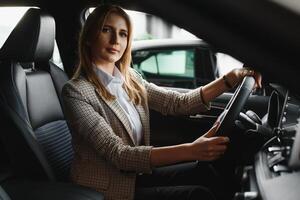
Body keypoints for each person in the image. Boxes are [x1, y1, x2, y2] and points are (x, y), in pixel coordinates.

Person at [61, 4, 262, 200]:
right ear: (88, 37)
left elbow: (177, 103)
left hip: (135, 175)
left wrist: (230, 78)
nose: (116, 40)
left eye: (123, 33)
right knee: (198, 195)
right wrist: (191, 149)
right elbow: (119, 154)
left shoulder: (129, 78)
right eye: (106, 30)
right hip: (106, 188)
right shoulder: (76, 92)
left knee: (207, 174)